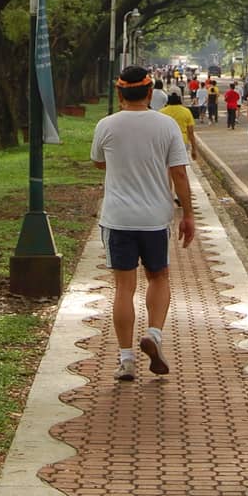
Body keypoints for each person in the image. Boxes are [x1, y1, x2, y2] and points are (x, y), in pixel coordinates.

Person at [91, 66, 195, 382]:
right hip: (154, 219)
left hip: (118, 218)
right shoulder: (166, 126)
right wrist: (188, 214)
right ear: (150, 93)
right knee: (159, 277)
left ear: (120, 93)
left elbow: (98, 162)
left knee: (124, 287)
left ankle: (125, 360)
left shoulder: (106, 125)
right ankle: (153, 334)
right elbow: (179, 173)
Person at [160, 90, 199, 165]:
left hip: (165, 140)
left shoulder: (161, 112)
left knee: (167, 164)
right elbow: (191, 132)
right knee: (180, 164)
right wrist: (194, 149)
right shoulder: (186, 111)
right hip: (182, 140)